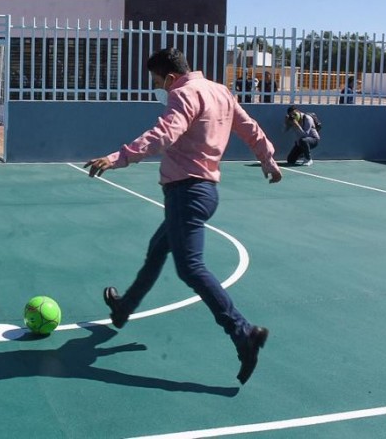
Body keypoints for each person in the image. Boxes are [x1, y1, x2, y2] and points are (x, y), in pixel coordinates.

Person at [84, 47, 282, 385]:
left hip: (186, 193)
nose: (158, 88)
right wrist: (268, 159)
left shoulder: (183, 94)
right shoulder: (220, 91)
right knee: (157, 249)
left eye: (157, 82)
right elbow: (249, 127)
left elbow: (164, 134)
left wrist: (118, 158)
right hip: (204, 193)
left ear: (171, 78)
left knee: (190, 267)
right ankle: (124, 308)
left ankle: (243, 332)